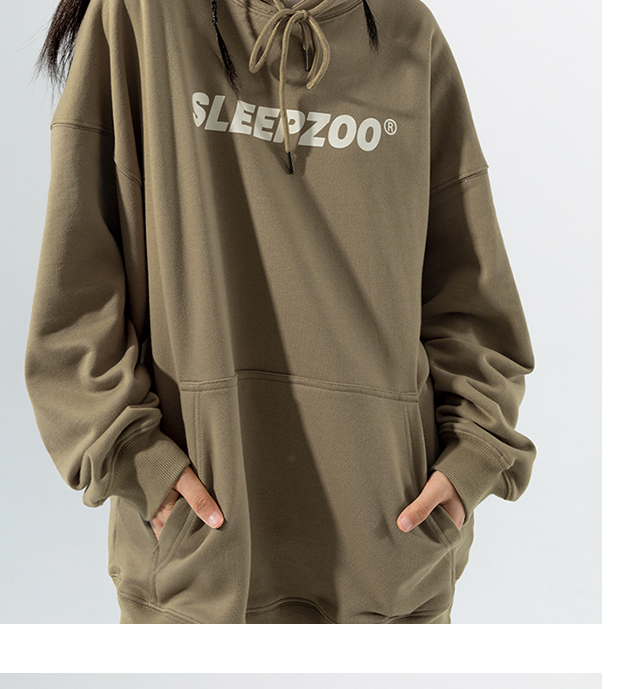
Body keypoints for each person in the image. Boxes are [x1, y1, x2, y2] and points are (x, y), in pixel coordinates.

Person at [26, 0, 535, 625]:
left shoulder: (407, 32)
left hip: (389, 564)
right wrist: (138, 459)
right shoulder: (145, 18)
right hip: (202, 568)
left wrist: (471, 458)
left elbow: (472, 296)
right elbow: (75, 297)